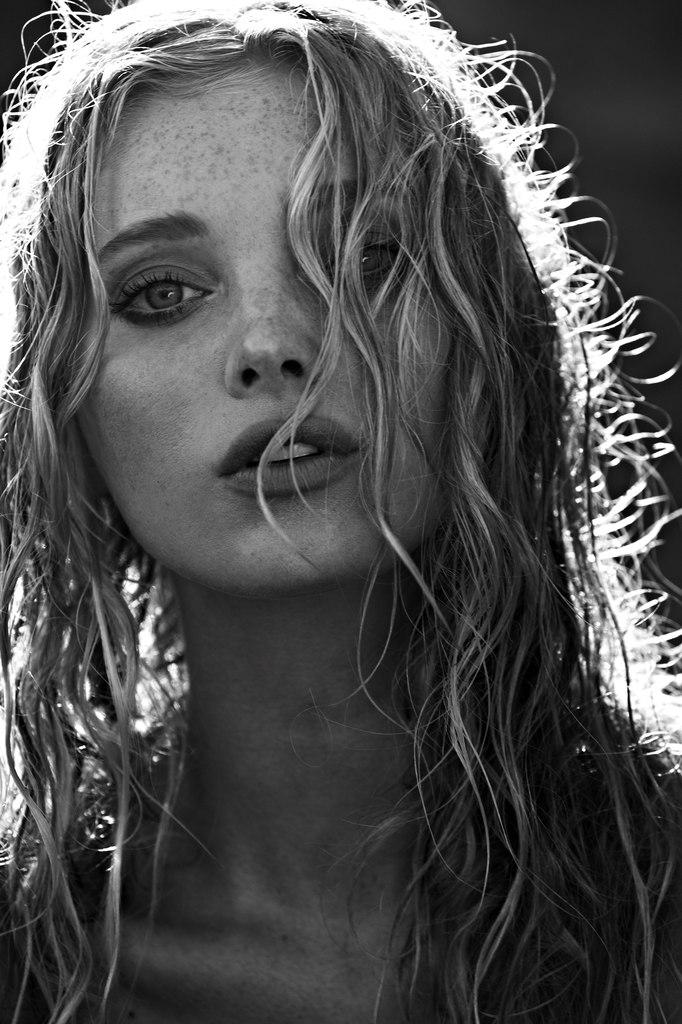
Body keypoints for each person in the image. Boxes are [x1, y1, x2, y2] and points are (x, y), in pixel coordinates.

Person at [1, 0, 681, 1020]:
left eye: (362, 252)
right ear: (59, 410)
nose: (272, 345)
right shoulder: (30, 967)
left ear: (488, 340)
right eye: (161, 292)